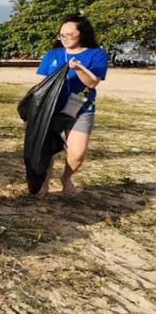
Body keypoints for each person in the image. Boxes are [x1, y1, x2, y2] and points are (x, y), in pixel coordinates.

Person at [34, 13, 108, 198]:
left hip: (80, 107)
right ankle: (44, 181)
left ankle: (66, 177)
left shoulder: (96, 54)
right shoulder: (53, 54)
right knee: (47, 148)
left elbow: (92, 83)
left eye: (69, 34)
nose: (64, 38)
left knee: (77, 153)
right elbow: (40, 83)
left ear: (82, 34)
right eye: (61, 35)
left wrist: (78, 68)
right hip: (52, 108)